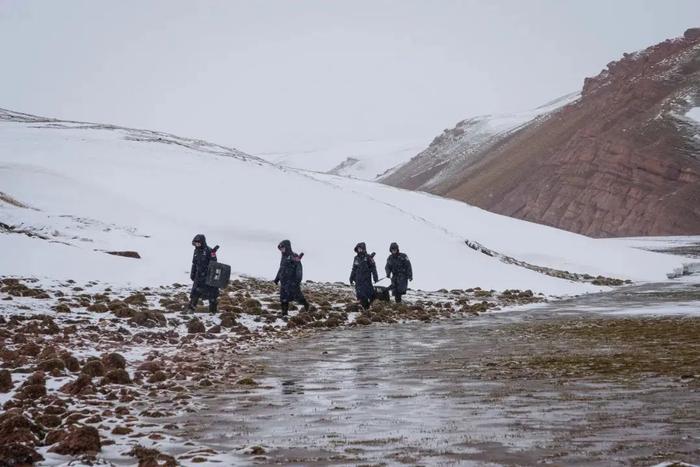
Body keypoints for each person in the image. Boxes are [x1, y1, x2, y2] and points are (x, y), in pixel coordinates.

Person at [274, 239, 310, 316]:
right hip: (284, 282)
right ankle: (284, 313)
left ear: (287, 247)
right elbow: (281, 268)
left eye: (283, 248)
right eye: (280, 249)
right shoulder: (283, 257)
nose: (281, 250)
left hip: (292, 282)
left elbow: (299, 269)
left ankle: (306, 305)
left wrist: (298, 280)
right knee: (283, 298)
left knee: (298, 296)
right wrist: (277, 278)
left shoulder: (294, 256)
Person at [187, 234, 219, 313]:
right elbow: (194, 263)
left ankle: (213, 311)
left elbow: (214, 263)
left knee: (212, 295)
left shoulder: (209, 250)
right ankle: (191, 309)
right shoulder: (196, 251)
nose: (197, 245)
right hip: (199, 276)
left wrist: (213, 254)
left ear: (202, 242)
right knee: (195, 293)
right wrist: (193, 273)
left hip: (208, 276)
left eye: (199, 243)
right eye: (196, 243)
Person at [349, 242, 379, 310]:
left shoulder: (368, 257)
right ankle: (365, 308)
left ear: (363, 249)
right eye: (358, 249)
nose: (359, 250)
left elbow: (373, 268)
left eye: (360, 249)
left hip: (366, 280)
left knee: (370, 293)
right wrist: (351, 277)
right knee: (360, 295)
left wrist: (375, 277)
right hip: (358, 280)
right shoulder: (356, 258)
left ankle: (371, 305)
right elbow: (354, 268)